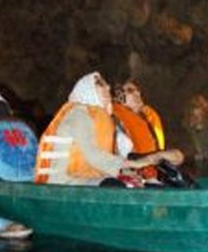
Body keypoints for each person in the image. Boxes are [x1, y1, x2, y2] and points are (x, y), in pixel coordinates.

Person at [34, 72, 175, 186]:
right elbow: (94, 157)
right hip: (62, 182)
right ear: (87, 88)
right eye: (100, 84)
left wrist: (132, 173)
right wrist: (143, 161)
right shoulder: (78, 113)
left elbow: (113, 156)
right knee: (114, 187)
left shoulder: (103, 119)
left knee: (138, 184)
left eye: (107, 85)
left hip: (87, 177)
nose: (107, 87)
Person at [112, 79, 185, 182]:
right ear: (117, 97)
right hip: (132, 173)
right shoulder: (113, 119)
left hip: (154, 172)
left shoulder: (147, 117)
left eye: (138, 90)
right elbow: (117, 156)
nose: (137, 93)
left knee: (178, 156)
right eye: (130, 90)